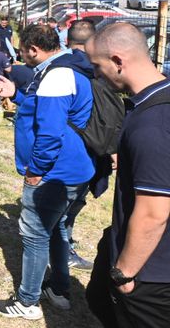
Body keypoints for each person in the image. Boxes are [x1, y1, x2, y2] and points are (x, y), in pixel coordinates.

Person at [0, 24, 95, 320]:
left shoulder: (57, 77)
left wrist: (35, 171)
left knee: (35, 235)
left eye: (22, 51)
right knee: (58, 229)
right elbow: (47, 109)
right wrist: (17, 95)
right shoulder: (66, 68)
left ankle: (27, 301)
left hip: (54, 172)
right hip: (74, 168)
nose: (20, 57)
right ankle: (59, 290)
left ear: (33, 49)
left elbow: (49, 133)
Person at [85, 22, 170, 327]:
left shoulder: (153, 124)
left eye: (98, 66)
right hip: (148, 261)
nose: (97, 75)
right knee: (98, 299)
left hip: (151, 275)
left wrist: (124, 273)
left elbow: (154, 213)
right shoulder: (154, 100)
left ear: (118, 61)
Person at [62, 19, 102, 271]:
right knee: (73, 203)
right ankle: (64, 246)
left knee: (63, 205)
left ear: (68, 41)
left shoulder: (60, 68)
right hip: (95, 150)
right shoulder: (103, 69)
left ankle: (63, 245)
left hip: (67, 151)